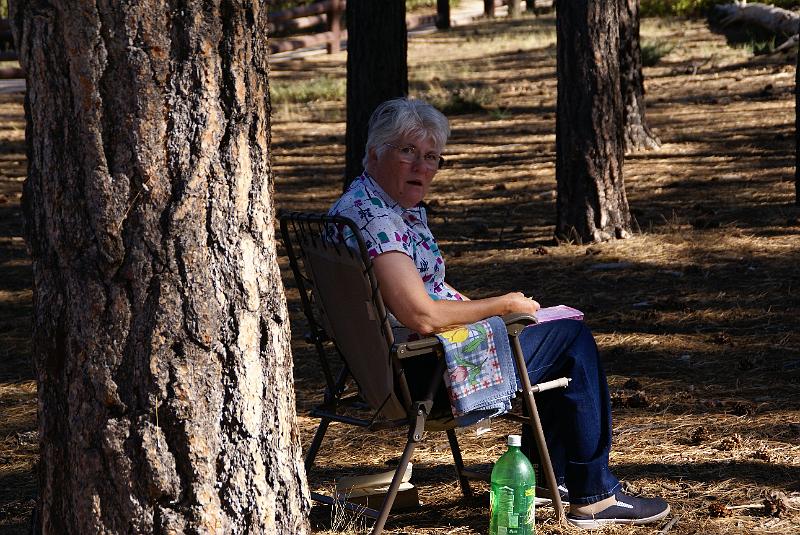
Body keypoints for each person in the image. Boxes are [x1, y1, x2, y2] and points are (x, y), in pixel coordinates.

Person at [328, 97, 670, 529]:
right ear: (375, 151)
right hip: (425, 370)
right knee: (572, 337)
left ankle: (552, 478)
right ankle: (593, 494)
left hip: (393, 364)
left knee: (557, 331)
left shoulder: (360, 206)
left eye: (432, 156)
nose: (422, 166)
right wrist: (504, 307)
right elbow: (423, 316)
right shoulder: (377, 221)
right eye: (407, 151)